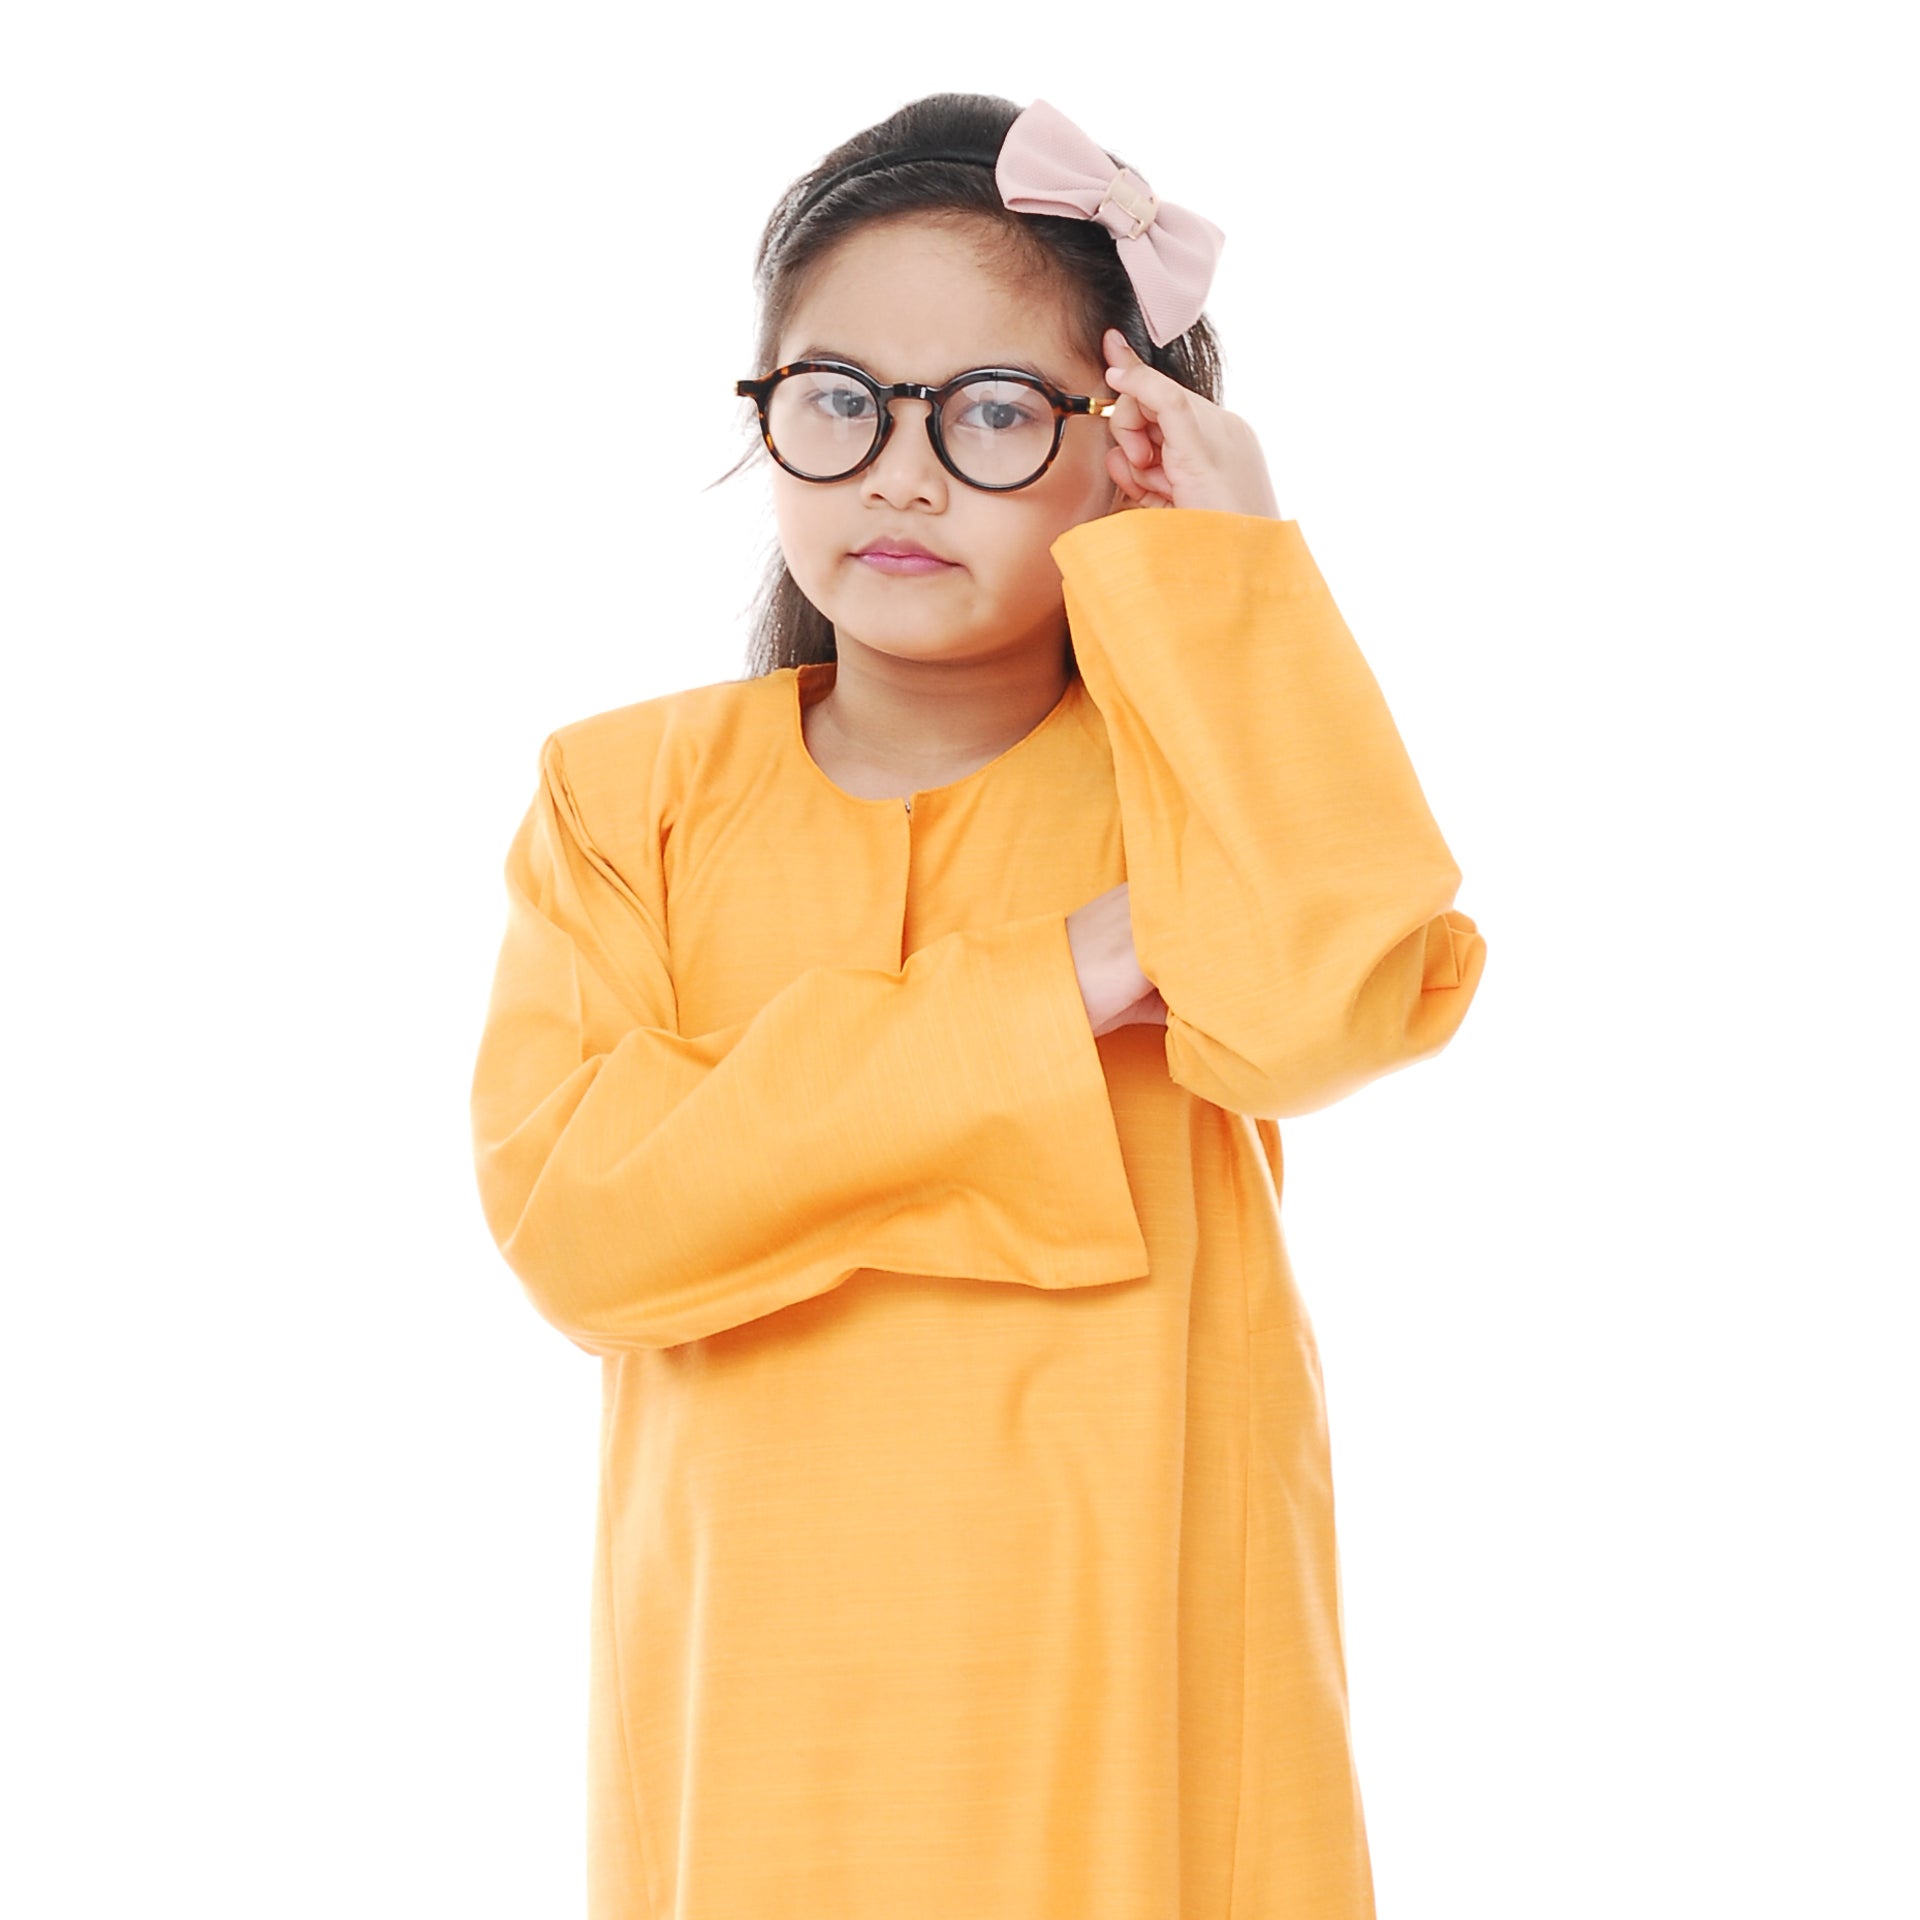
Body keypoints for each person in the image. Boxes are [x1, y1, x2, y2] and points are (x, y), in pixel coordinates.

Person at [469, 90, 1487, 1920]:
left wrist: (1232, 573)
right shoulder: (625, 802)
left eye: (997, 413)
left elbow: (1325, 1004)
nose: (901, 474)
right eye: (838, 400)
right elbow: (583, 1220)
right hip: (756, 1730)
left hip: (1140, 1696)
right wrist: (1060, 982)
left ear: (1129, 444)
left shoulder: (1199, 782)